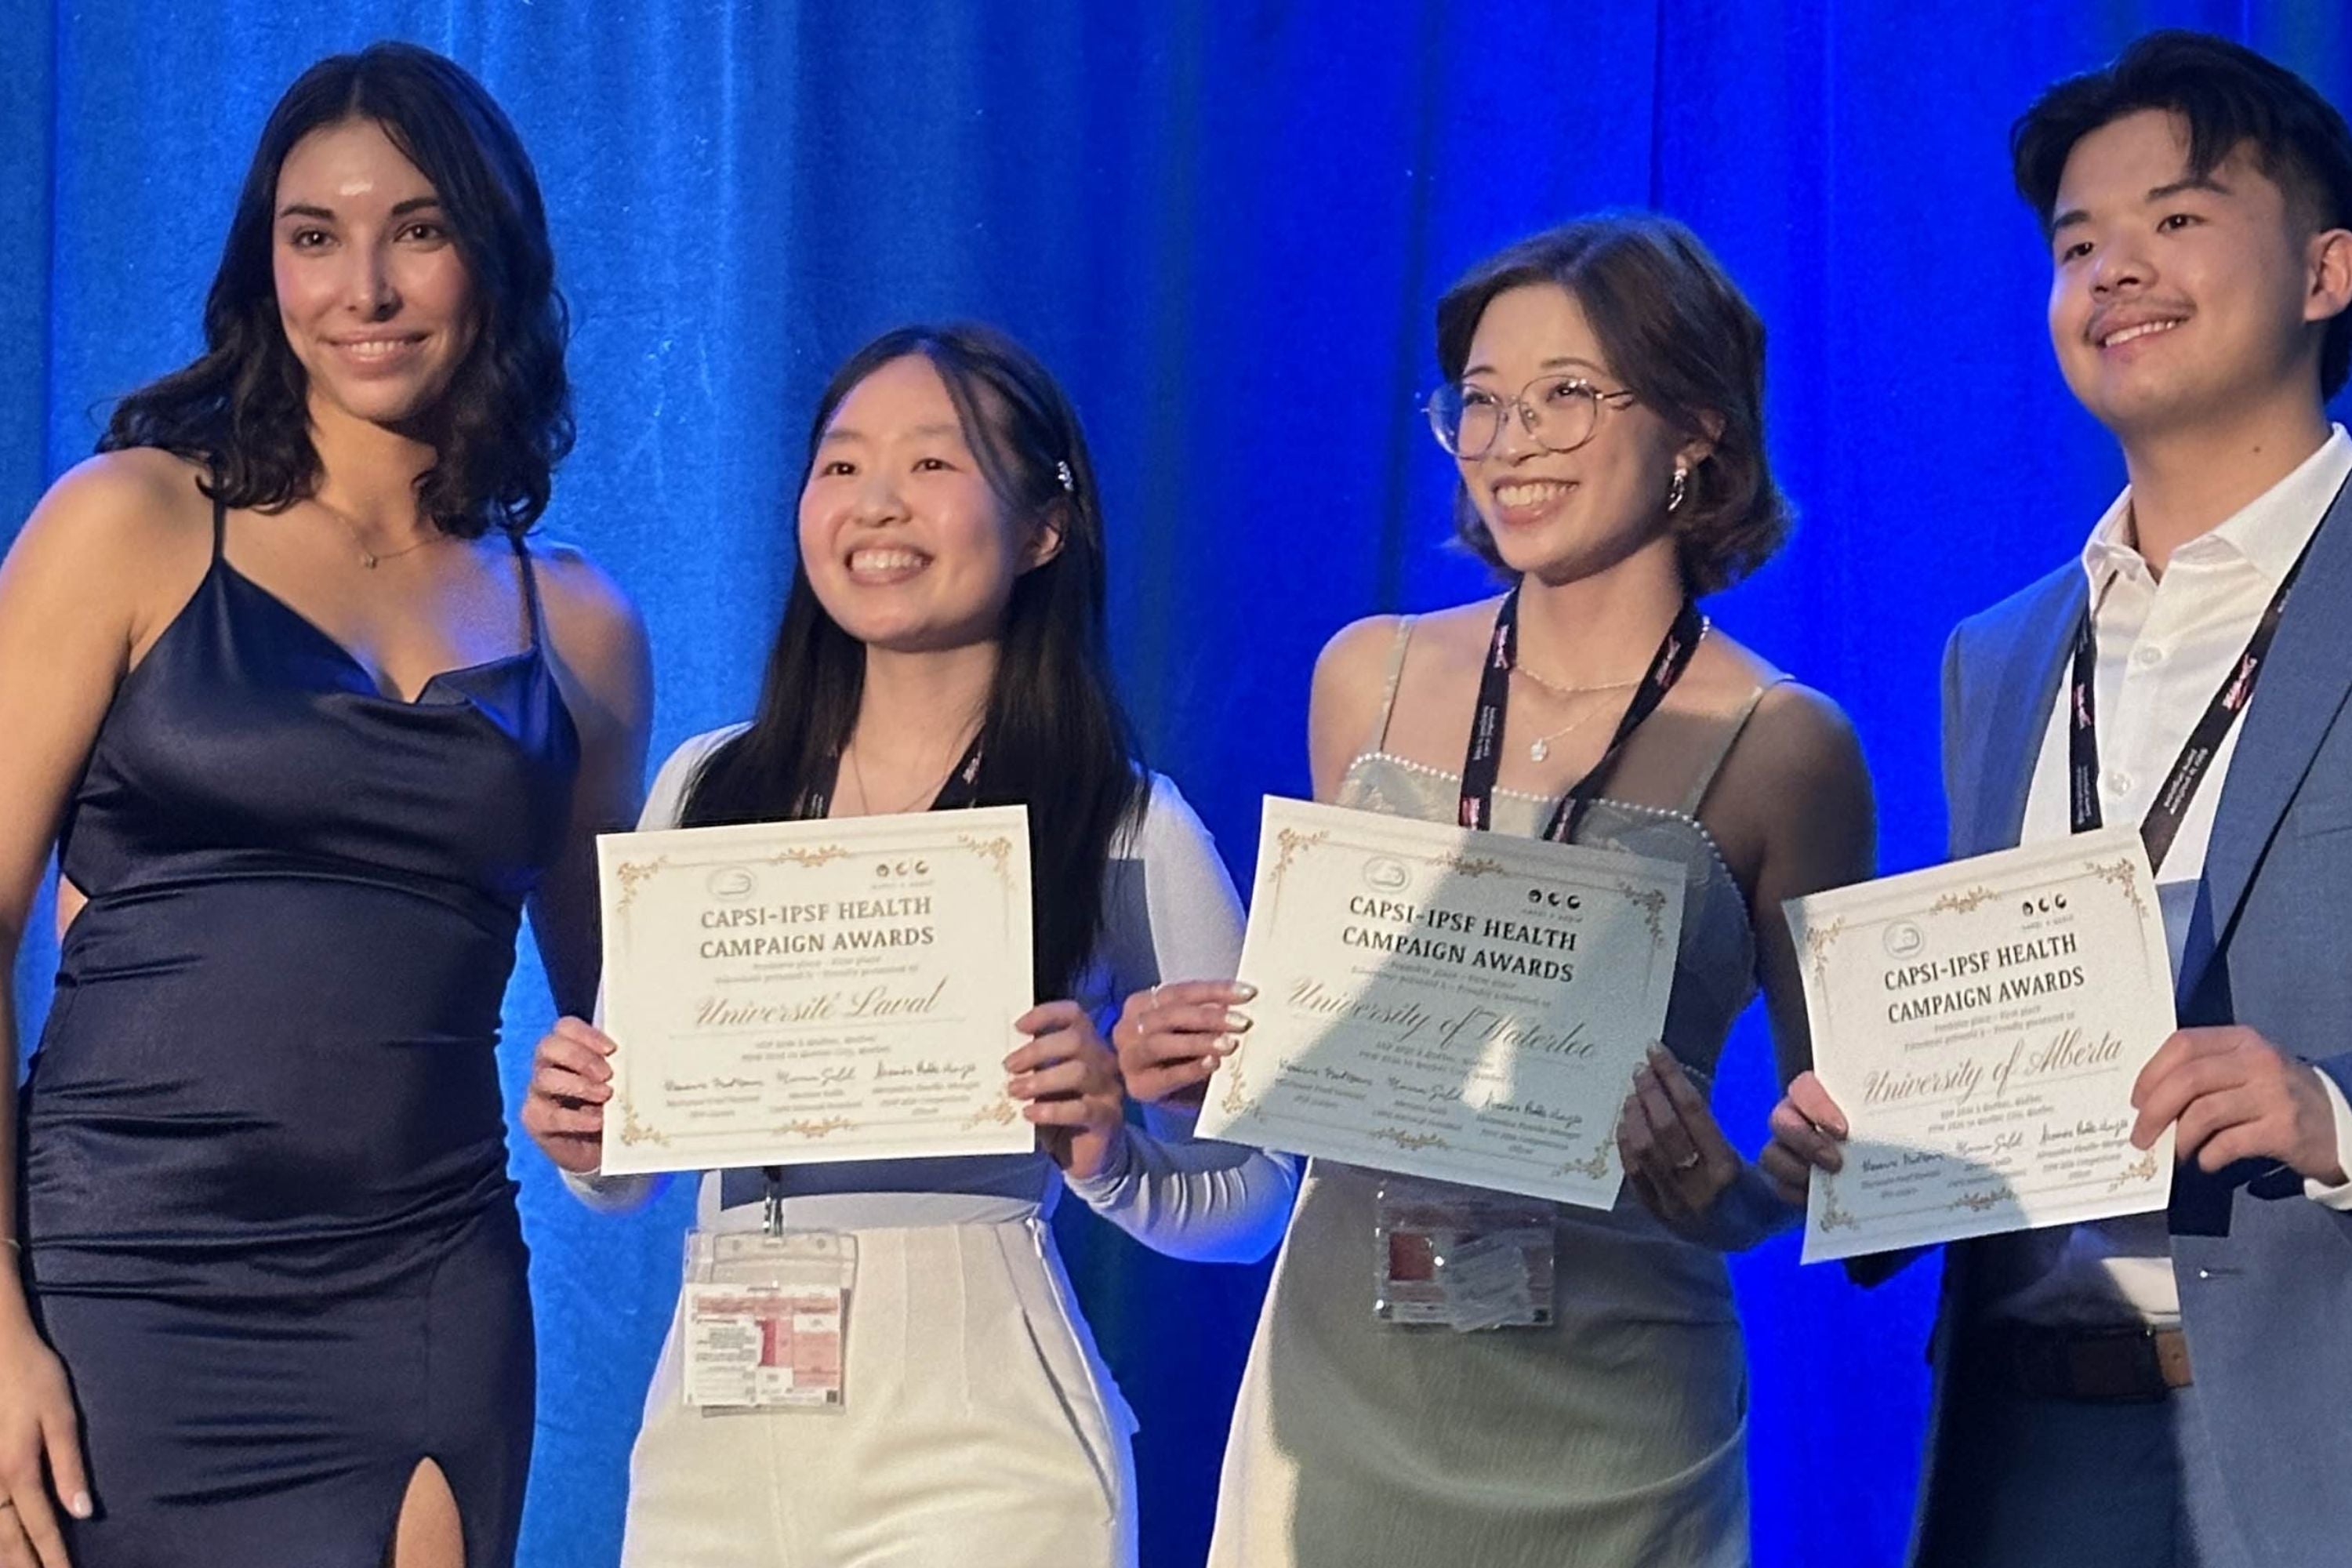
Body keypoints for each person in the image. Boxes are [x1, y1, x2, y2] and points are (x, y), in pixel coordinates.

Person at [1116, 213, 1875, 1566]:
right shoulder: (1369, 675)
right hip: (1341, 1405)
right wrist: (1199, 1071)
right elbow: (1327, 1055)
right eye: (1479, 402)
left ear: (1695, 427)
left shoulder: (1788, 745)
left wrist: (1737, 1198)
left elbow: (1850, 1181)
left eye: (1567, 395)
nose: (1511, 439)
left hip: (1619, 1431)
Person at [0, 42, 650, 1568]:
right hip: (109, 1292)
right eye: (315, 236)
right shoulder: (128, 523)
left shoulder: (586, 629)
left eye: (415, 230)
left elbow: (631, 1076)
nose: (362, 286)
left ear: (489, 255)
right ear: (265, 266)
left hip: (423, 1296)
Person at [523, 323, 1296, 1568]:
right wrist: (585, 1134)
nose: (877, 503)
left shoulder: (1123, 817)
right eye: (841, 466)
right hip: (718, 1426)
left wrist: (1106, 1151)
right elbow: (624, 1171)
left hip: (982, 1431)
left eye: (935, 465)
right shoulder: (710, 787)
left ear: (1044, 525)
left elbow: (1259, 1201)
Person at [1764, 31, 2352, 1568]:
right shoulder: (2004, 650)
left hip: (2317, 1433)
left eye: (2176, 220)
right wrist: (1870, 1140)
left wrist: (2335, 1112)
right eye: (2078, 243)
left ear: (2327, 272)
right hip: (2029, 1437)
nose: (2116, 272)